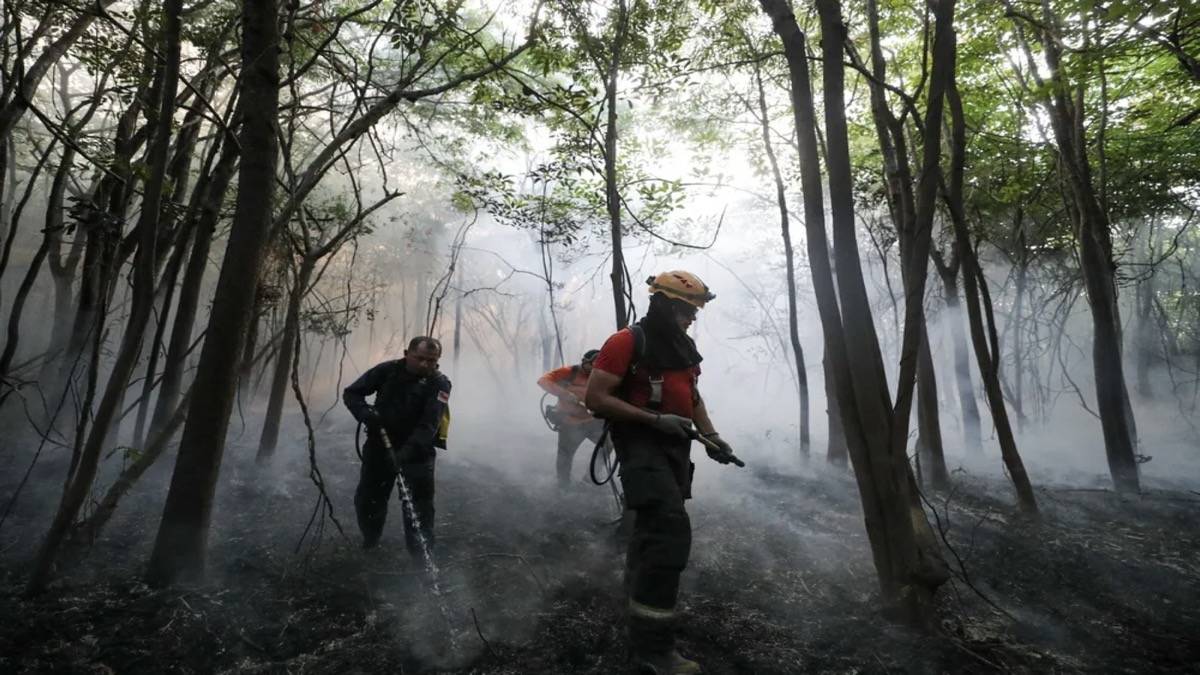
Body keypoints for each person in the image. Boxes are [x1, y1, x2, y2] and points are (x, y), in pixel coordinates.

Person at [585, 271, 741, 675]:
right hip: (641, 446)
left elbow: (691, 395)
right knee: (670, 532)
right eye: (688, 310)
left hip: (675, 447)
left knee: (651, 531)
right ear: (664, 305)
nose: (693, 318)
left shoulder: (682, 346)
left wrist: (712, 436)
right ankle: (654, 649)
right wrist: (655, 421)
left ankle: (636, 609)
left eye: (696, 311)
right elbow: (596, 397)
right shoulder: (625, 342)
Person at [343, 336, 451, 554]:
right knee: (369, 499)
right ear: (406, 354)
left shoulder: (440, 383)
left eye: (431, 360)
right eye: (419, 358)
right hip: (379, 444)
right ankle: (371, 541)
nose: (425, 365)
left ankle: (422, 558)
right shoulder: (387, 371)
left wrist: (404, 454)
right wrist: (366, 414)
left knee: (419, 507)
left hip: (418, 452)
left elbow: (429, 424)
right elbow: (352, 393)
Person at [537, 349, 607, 488]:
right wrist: (564, 393)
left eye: (598, 365)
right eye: (593, 364)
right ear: (584, 362)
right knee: (565, 455)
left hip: (593, 421)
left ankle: (589, 478)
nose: (595, 368)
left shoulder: (601, 376)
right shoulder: (570, 372)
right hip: (570, 423)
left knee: (607, 446)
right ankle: (563, 485)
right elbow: (542, 381)